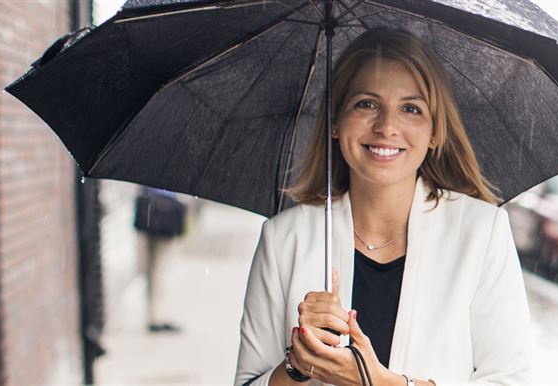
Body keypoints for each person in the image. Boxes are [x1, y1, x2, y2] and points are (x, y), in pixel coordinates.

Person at [234, 28, 532, 386]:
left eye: (411, 108)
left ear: (435, 132)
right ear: (334, 121)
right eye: (366, 103)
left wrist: (380, 382)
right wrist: (299, 364)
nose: (387, 126)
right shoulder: (285, 238)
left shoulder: (482, 233)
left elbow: (510, 380)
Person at [134, 186, 188, 333]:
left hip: (152, 212)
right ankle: (156, 317)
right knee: (159, 268)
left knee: (154, 268)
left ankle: (154, 315)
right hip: (164, 212)